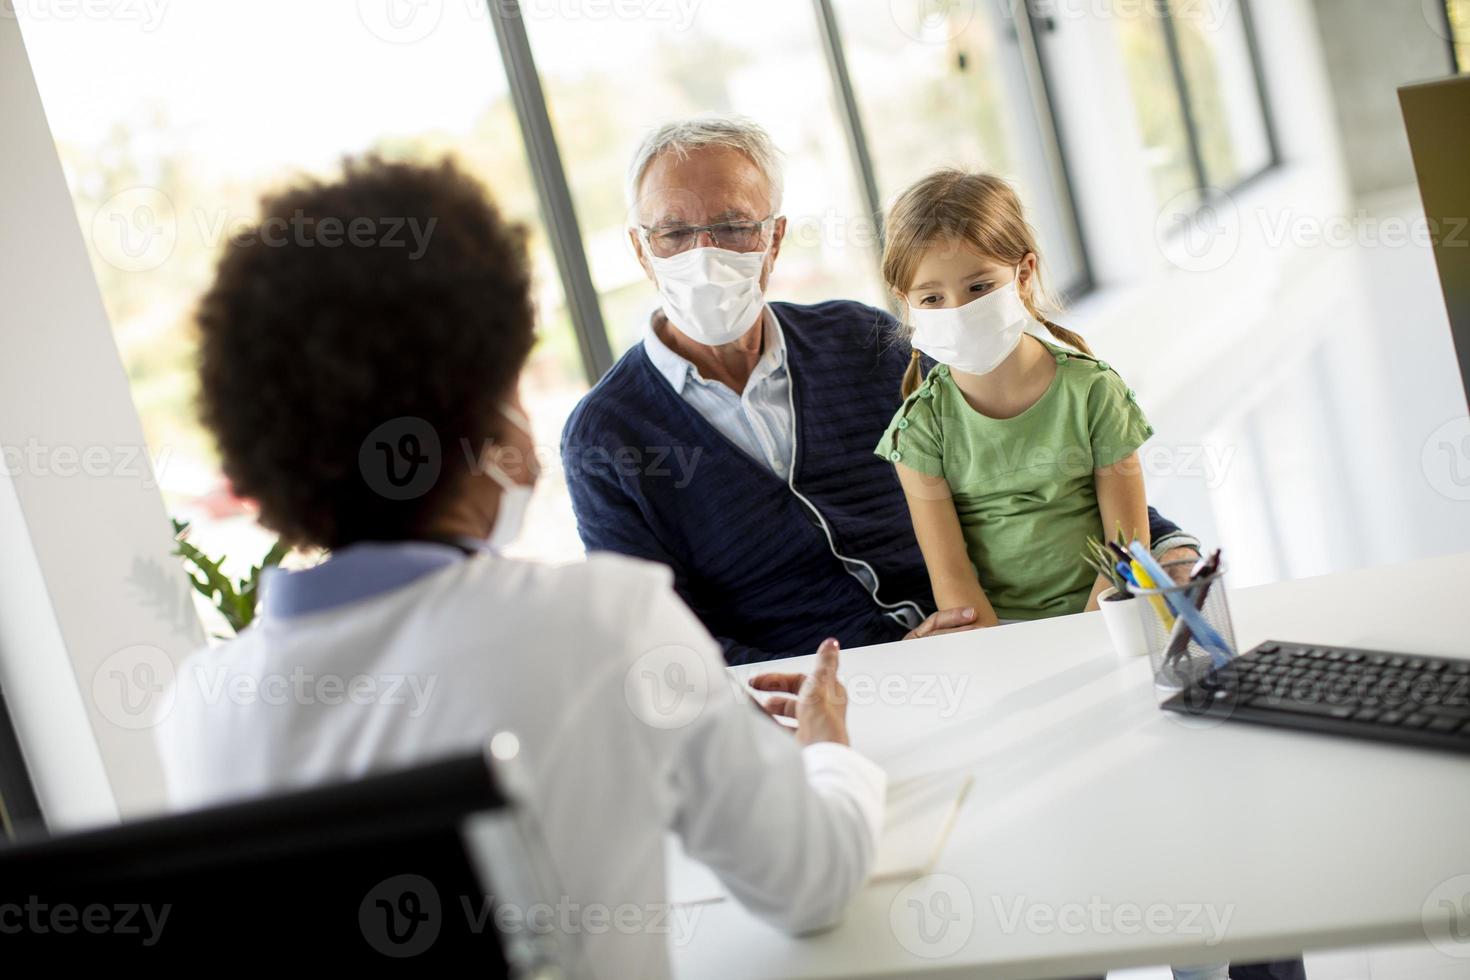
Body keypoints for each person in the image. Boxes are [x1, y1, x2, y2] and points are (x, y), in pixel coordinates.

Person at [155, 157, 885, 980]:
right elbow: (812, 886)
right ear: (486, 412)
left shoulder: (197, 710)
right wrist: (830, 748)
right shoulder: (606, 622)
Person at [561, 115, 1201, 665]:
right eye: (673, 232)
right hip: (820, 705)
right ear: (642, 252)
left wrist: (1160, 548)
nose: (704, 253)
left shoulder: (860, 341)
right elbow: (658, 643)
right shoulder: (607, 434)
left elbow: (1027, 452)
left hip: (986, 637)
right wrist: (859, 676)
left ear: (775, 239)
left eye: (733, 226)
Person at [875, 169, 1151, 625]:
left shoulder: (1094, 392)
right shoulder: (919, 430)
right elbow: (953, 584)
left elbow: (1126, 546)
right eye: (932, 298)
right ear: (905, 302)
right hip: (994, 635)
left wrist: (1088, 635)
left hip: (1109, 619)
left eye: (979, 287)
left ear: (1024, 274)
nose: (958, 312)